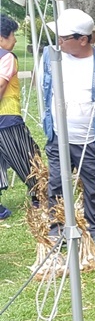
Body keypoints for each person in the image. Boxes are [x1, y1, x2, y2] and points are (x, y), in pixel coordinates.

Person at [41, 9, 95, 246]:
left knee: (94, 184)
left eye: (64, 37)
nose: (59, 42)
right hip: (59, 135)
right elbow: (42, 90)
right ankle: (57, 227)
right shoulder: (51, 57)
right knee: (57, 181)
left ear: (83, 39)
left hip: (90, 137)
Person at [0, 14, 39, 219]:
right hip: (6, 118)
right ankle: (40, 197)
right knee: (27, 156)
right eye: (13, 35)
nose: (15, 40)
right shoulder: (6, 57)